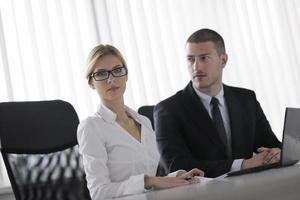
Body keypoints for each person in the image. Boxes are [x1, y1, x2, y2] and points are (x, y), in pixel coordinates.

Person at [77, 44, 204, 200]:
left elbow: (152, 181)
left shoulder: (143, 121)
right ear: (91, 82)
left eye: (117, 70)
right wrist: (148, 181)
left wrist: (178, 177)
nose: (111, 79)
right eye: (101, 74)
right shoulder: (91, 127)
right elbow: (99, 193)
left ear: (126, 75)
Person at [154, 28, 281, 178]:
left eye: (204, 58)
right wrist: (242, 165)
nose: (196, 67)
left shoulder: (246, 99)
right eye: (190, 59)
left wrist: (276, 153)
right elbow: (176, 167)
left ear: (223, 60)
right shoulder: (168, 110)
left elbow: (270, 144)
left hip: (246, 189)